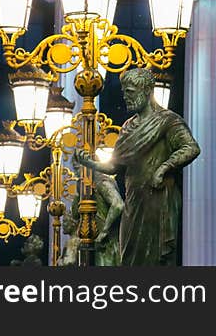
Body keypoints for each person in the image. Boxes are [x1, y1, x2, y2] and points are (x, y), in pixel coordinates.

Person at [75, 68, 200, 266]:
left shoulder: (168, 120)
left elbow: (191, 147)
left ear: (147, 90)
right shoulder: (127, 126)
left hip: (159, 201)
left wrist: (164, 167)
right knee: (129, 258)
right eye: (124, 92)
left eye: (130, 92)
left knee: (157, 258)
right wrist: (89, 162)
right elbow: (114, 167)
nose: (125, 97)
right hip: (134, 202)